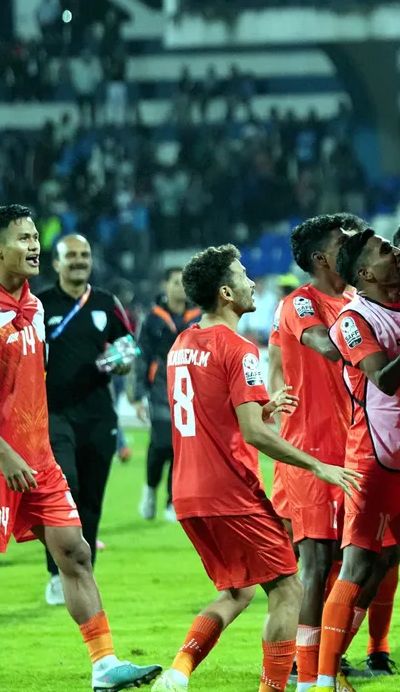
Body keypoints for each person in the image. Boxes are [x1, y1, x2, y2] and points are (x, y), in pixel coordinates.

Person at [0, 205, 160, 692]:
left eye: (36, 236)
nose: (34, 245)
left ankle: (104, 665)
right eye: (23, 238)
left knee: (75, 552)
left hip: (37, 456)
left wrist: (30, 449)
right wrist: (5, 451)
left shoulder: (33, 307)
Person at [150, 244, 360, 692]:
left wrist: (265, 407)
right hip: (230, 493)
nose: (252, 283)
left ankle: (179, 671)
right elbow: (254, 436)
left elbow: (209, 414)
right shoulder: (239, 347)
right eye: (244, 275)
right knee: (289, 590)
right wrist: (317, 466)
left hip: (188, 495)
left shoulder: (182, 344)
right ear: (226, 292)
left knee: (237, 593)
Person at [314, 228, 400, 692]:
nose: (397, 254)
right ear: (365, 272)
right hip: (375, 461)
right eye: (386, 251)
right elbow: (384, 380)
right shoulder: (352, 318)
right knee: (359, 568)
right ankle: (323, 679)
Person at [270, 214, 364, 691]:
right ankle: (309, 678)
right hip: (312, 453)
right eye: (345, 243)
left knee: (372, 561)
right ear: (322, 258)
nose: (356, 248)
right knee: (318, 563)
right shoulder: (299, 304)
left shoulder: (355, 299)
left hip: (360, 449)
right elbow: (325, 346)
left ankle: (327, 657)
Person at [37, 234, 136, 607]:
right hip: (54, 415)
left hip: (98, 416)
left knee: (92, 499)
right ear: (57, 263)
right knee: (67, 493)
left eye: (84, 255)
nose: (79, 261)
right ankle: (55, 574)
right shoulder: (40, 304)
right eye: (71, 256)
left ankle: (84, 570)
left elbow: (127, 348)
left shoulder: (106, 303)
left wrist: (123, 361)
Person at [136, 265, 200, 522]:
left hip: (190, 391)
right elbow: (142, 356)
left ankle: (172, 500)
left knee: (181, 446)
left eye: (184, 283)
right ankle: (150, 489)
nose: (180, 287)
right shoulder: (153, 317)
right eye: (175, 282)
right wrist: (138, 394)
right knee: (161, 443)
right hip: (160, 388)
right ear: (165, 285)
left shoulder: (198, 316)